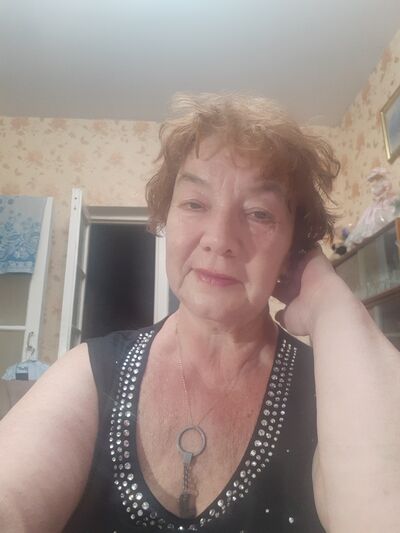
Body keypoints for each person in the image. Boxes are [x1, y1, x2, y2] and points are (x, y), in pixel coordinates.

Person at [0, 93, 399, 533]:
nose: (219, 239)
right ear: (166, 218)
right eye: (194, 203)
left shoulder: (334, 391)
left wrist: (331, 303)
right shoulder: (89, 373)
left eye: (259, 213)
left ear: (293, 249)